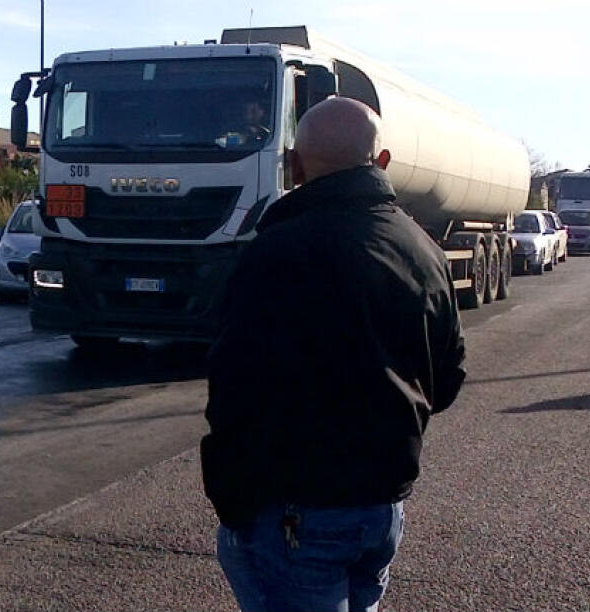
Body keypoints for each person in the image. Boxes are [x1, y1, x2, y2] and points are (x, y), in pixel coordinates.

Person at [201, 97, 466, 612]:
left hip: (294, 510)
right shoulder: (422, 249)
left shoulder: (273, 251)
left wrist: (232, 501)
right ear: (381, 161)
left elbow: (232, 386)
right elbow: (448, 378)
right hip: (380, 505)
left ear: (296, 165)